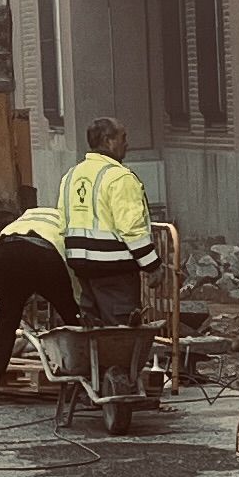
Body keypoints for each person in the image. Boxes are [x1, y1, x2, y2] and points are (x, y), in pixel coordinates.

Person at [0, 180, 71, 406]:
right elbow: (71, 271)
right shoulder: (69, 222)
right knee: (72, 319)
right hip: (44, 254)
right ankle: (85, 381)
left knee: (7, 322)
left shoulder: (26, 217)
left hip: (8, 252)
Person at [58, 116, 159, 327]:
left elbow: (63, 220)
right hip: (114, 268)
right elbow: (132, 228)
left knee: (92, 330)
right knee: (120, 331)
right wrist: (152, 265)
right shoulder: (119, 178)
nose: (127, 143)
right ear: (107, 140)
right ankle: (119, 361)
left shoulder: (71, 175)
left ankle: (97, 361)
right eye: (123, 137)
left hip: (81, 268)